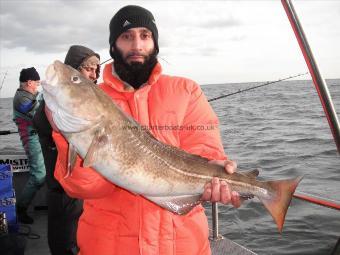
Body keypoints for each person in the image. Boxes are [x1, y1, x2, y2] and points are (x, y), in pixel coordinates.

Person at [52, 5, 241, 255]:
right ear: (113, 45)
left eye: (145, 35)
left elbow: (204, 149)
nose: (137, 45)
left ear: (155, 42)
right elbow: (83, 188)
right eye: (126, 36)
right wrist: (67, 135)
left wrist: (216, 171)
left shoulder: (187, 90)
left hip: (183, 243)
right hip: (109, 245)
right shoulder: (95, 99)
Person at [33, 45, 100, 255]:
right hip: (62, 189)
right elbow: (41, 121)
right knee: (65, 240)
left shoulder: (90, 99)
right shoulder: (54, 103)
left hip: (84, 187)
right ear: (73, 70)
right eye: (88, 68)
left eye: (96, 70)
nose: (94, 74)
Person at [13, 67, 45, 224]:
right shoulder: (21, 99)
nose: (37, 86)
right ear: (29, 82)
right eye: (37, 83)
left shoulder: (29, 95)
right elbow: (37, 112)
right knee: (39, 176)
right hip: (31, 139)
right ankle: (21, 209)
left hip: (40, 137)